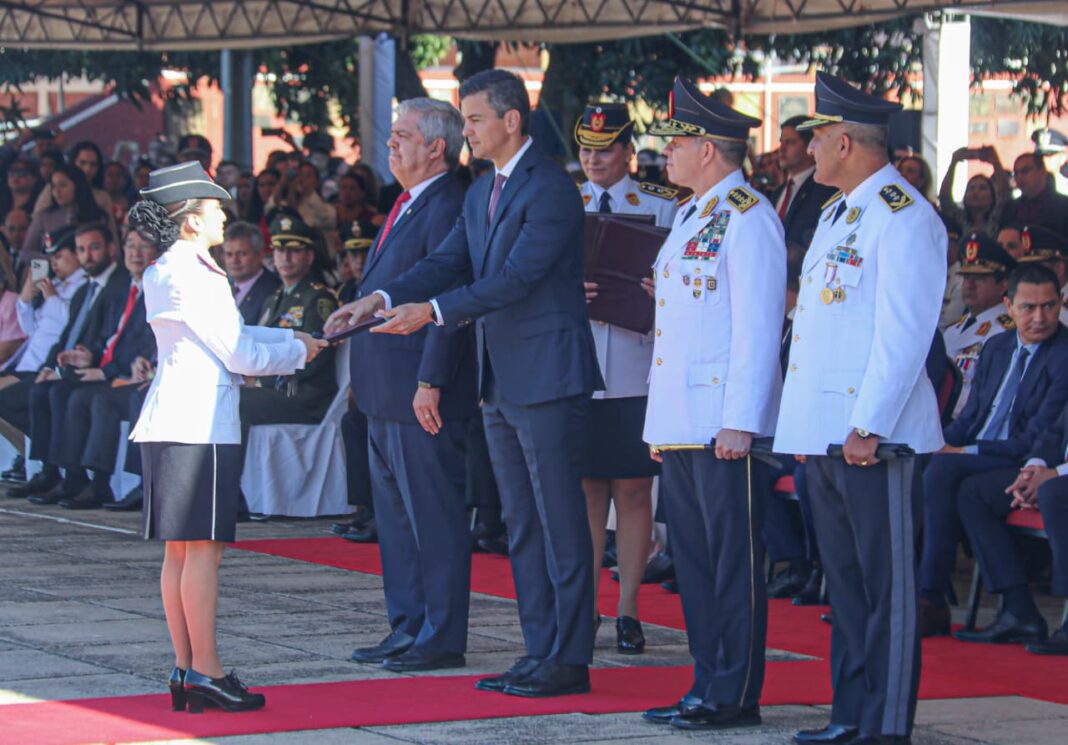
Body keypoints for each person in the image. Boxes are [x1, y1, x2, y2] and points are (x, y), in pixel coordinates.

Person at [326, 68, 602, 698]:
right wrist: (380, 298)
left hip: (547, 376)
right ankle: (538, 651)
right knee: (522, 523)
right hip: (500, 380)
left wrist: (435, 312)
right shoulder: (482, 193)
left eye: (475, 119)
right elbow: (449, 261)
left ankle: (570, 656)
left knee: (560, 521)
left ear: (510, 120)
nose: (467, 131)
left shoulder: (551, 187)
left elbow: (515, 278)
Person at [774, 72, 947, 745]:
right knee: (845, 588)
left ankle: (885, 724)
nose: (807, 150)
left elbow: (903, 335)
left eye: (814, 138)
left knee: (887, 589)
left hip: (874, 435)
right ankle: (850, 712)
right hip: (827, 433)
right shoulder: (841, 210)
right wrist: (805, 428)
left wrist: (868, 422)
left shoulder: (903, 215)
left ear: (843, 140)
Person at [128, 161, 326, 712]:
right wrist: (296, 352)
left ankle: (186, 666)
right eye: (213, 207)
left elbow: (229, 334)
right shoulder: (197, 272)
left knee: (179, 551)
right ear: (190, 221)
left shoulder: (167, 269)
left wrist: (294, 338)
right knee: (204, 554)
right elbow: (237, 352)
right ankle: (207, 672)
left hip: (171, 418)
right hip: (201, 424)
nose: (223, 213)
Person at [636, 76, 784, 731]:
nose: (666, 154)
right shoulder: (694, 212)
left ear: (709, 150)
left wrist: (741, 420)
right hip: (684, 419)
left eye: (677, 142)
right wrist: (661, 423)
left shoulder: (749, 215)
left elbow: (756, 327)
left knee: (732, 562)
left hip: (723, 423)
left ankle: (736, 691)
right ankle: (706, 679)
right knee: (693, 562)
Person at [344, 97, 478, 672]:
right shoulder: (405, 203)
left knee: (434, 518)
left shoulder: (449, 204)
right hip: (384, 389)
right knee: (396, 521)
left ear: (436, 147)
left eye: (402, 134)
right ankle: (407, 625)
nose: (392, 142)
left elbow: (447, 300)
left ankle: (440, 634)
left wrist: (431, 379)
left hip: (420, 390)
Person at [573, 101, 677, 656]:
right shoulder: (566, 204)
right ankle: (587, 606)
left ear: (627, 152)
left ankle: (629, 608)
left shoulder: (661, 205)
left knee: (635, 490)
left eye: (604, 150)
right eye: (586, 150)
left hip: (639, 359)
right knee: (589, 490)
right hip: (583, 363)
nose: (593, 159)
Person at [919, 263, 1068, 636]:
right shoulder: (997, 346)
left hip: (1020, 458)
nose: (1039, 317)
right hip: (982, 460)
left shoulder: (1064, 355)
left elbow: (1040, 436)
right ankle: (1019, 610)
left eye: (1049, 306)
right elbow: (970, 418)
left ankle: (929, 596)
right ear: (1009, 306)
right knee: (949, 480)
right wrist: (939, 442)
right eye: (1028, 307)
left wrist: (961, 453)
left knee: (942, 471)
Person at [48, 228, 161, 509]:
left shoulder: (159, 290)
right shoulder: (125, 289)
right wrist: (91, 358)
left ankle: (105, 485)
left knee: (98, 400)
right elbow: (113, 338)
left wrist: (107, 372)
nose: (135, 253)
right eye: (130, 246)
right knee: (64, 391)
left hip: (141, 376)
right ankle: (72, 477)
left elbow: (148, 345)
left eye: (143, 246)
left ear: (157, 252)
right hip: (116, 371)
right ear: (121, 251)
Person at [957, 396, 1068, 652]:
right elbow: (1055, 432)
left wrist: (1054, 475)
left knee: (1054, 493)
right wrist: (1033, 468)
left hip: (1059, 480)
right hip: (1055, 474)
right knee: (975, 493)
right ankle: (1019, 611)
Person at [942, 233, 1018, 418]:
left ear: (1003, 285)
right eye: (967, 276)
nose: (969, 285)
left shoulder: (1007, 331)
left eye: (980, 278)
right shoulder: (954, 329)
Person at [21, 163, 110, 267]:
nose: (57, 191)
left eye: (63, 185)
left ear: (77, 186)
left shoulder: (97, 216)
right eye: (53, 186)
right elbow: (25, 254)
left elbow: (110, 251)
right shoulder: (44, 218)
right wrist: (53, 259)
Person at [773, 115, 838, 251]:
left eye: (790, 142)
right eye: (781, 142)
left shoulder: (825, 191)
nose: (782, 149)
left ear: (809, 146)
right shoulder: (777, 193)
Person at [938, 146, 1010, 237]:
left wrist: (995, 162)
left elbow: (1004, 193)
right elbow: (945, 199)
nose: (975, 192)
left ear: (992, 197)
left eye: (982, 188)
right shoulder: (961, 218)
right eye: (971, 188)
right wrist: (953, 163)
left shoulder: (996, 218)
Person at [222, 221, 280, 325]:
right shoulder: (222, 285)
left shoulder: (272, 290)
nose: (235, 261)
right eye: (229, 254)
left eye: (242, 254)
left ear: (259, 255)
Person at [1002, 152, 1068, 237]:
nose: (1019, 177)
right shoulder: (1010, 208)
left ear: (1042, 171)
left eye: (1025, 171)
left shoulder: (1064, 205)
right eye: (1016, 173)